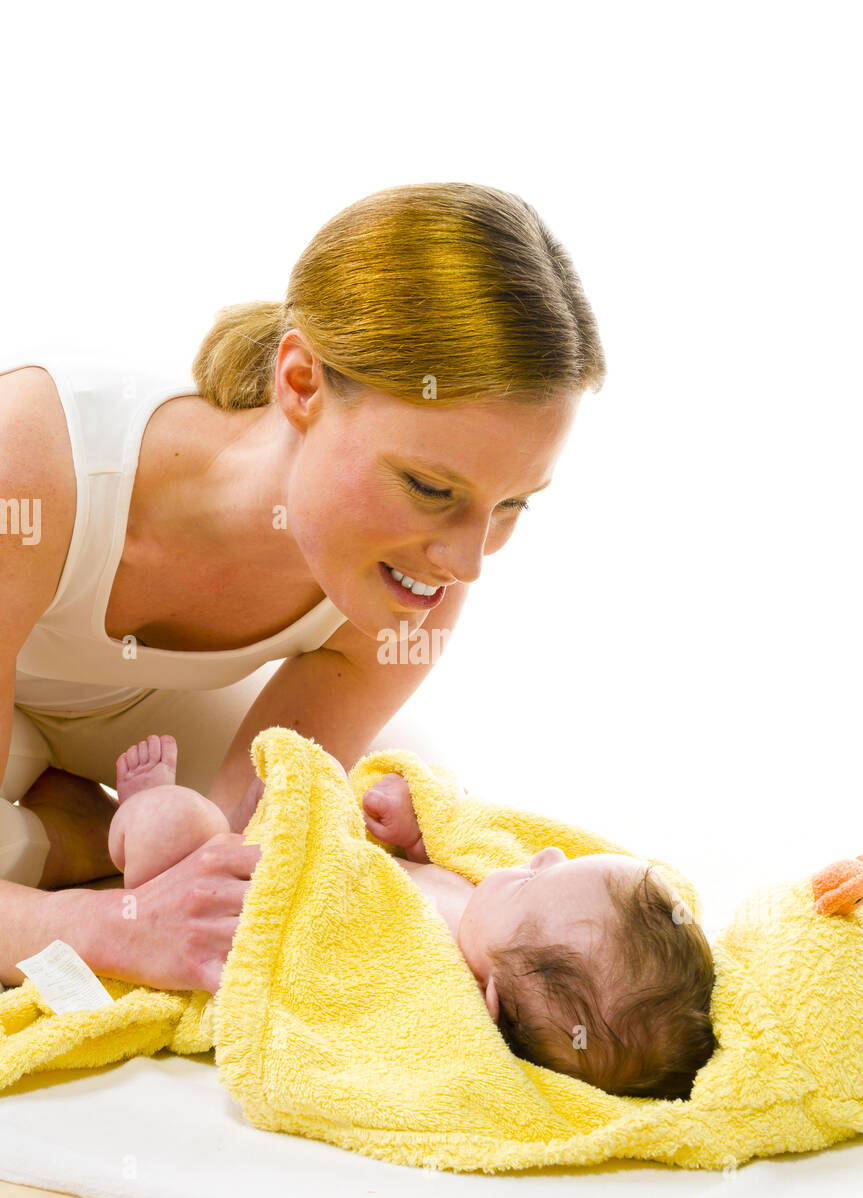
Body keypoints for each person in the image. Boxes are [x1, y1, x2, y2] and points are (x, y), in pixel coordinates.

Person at [0, 181, 606, 995]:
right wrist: (111, 927)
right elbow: (157, 916)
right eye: (430, 488)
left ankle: (62, 827)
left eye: (509, 505)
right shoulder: (30, 460)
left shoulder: (416, 580)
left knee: (374, 825)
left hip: (120, 712)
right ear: (300, 382)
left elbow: (241, 870)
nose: (465, 562)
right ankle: (70, 834)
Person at [108, 735, 716, 1100]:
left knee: (176, 822)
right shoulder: (485, 910)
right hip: (274, 849)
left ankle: (138, 817)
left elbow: (327, 972)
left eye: (533, 878)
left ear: (493, 1002)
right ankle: (234, 823)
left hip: (214, 896)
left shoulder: (426, 974)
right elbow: (453, 839)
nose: (544, 851)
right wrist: (414, 829)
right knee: (263, 809)